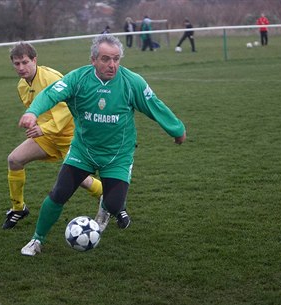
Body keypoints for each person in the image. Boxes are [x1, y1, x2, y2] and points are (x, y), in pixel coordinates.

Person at [19, 34, 186, 256]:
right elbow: (50, 94)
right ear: (93, 60)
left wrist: (176, 129)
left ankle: (105, 211)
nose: (112, 65)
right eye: (106, 59)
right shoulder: (77, 79)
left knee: (115, 205)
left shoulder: (131, 82)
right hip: (83, 151)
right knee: (58, 194)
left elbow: (154, 105)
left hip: (118, 155)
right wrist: (32, 112)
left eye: (116, 59)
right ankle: (36, 240)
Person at [3, 42, 105, 229]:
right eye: (16, 64)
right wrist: (36, 124)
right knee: (14, 160)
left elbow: (67, 109)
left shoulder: (50, 78)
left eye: (25, 62)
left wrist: (44, 128)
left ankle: (109, 198)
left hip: (70, 137)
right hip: (48, 137)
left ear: (35, 60)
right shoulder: (22, 86)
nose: (21, 67)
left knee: (80, 180)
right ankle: (18, 208)